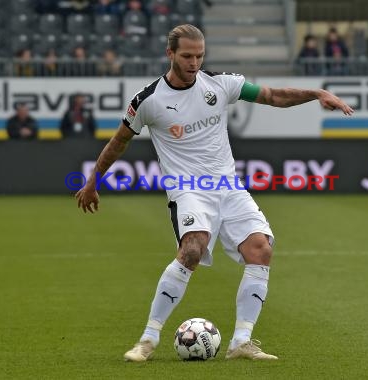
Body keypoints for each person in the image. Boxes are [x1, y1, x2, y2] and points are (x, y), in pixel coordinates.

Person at [75, 24, 353, 362]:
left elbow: (273, 96)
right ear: (170, 54)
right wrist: (93, 181)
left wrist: (315, 93)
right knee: (192, 248)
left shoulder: (220, 84)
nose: (194, 62)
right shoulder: (148, 100)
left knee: (261, 249)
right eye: (187, 56)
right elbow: (119, 142)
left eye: (199, 56)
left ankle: (241, 342)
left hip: (228, 186)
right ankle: (147, 340)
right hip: (188, 189)